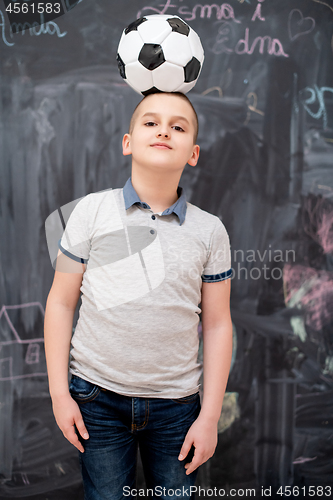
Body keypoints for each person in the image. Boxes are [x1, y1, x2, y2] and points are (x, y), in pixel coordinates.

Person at [44, 91, 233, 500]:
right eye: (150, 122)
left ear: (194, 153)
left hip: (178, 408)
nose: (164, 129)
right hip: (96, 398)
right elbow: (60, 302)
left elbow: (218, 324)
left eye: (178, 126)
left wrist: (210, 416)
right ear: (128, 142)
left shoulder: (210, 231)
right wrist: (60, 394)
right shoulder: (92, 212)